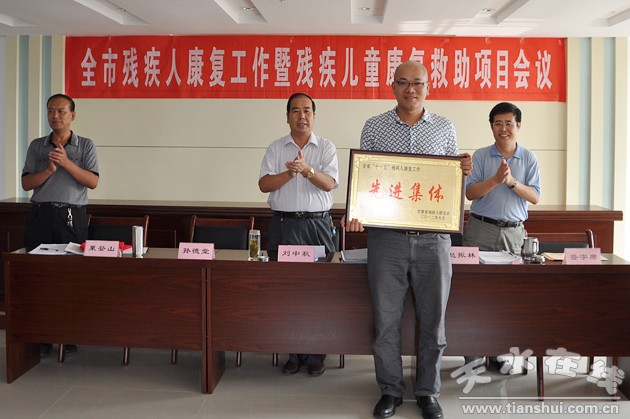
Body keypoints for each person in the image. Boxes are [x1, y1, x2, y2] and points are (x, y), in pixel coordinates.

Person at [345, 61, 472, 419]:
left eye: (417, 83)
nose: (410, 89)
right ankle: (390, 390)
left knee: (434, 323)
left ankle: (428, 392)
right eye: (403, 82)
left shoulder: (445, 128)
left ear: (428, 87)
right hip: (387, 240)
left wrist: (463, 170)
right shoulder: (374, 126)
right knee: (386, 321)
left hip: (434, 241)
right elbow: (366, 177)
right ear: (392, 86)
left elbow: (450, 182)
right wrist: (358, 211)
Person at [258, 92, 339, 377]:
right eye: (295, 111)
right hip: (284, 225)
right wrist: (290, 174)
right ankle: (293, 353)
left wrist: (306, 170)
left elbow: (329, 183)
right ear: (287, 116)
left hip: (317, 226)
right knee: (286, 293)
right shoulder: (276, 147)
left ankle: (316, 355)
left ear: (314, 116)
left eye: (307, 111)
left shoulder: (326, 147)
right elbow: (264, 184)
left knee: (319, 293)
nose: (301, 116)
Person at [462, 102, 541, 372]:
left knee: (505, 297)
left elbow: (535, 197)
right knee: (474, 295)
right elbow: (470, 193)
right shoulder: (481, 156)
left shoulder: (528, 158)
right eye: (498, 123)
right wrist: (496, 180)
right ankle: (472, 356)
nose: (503, 128)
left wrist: (511, 182)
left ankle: (498, 353)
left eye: (509, 123)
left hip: (513, 233)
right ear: (491, 126)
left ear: (518, 126)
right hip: (480, 230)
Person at [22, 93, 99, 356]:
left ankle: (68, 335)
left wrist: (66, 163)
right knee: (39, 278)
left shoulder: (85, 145)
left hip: (71, 217)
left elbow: (93, 182)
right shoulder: (37, 146)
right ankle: (42, 337)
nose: (55, 116)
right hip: (41, 215)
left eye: (61, 111)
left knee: (70, 278)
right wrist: (48, 170)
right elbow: (26, 183)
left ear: (72, 115)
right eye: (50, 111)